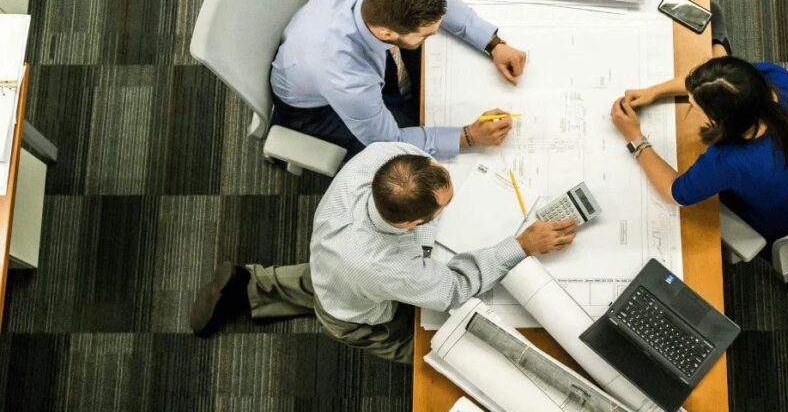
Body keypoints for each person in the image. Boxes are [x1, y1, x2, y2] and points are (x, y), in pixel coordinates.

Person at [189, 142, 577, 363]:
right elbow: (454, 289)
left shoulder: (382, 158)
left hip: (332, 260)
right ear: (412, 224)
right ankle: (434, 359)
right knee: (430, 349)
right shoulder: (387, 267)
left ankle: (251, 284)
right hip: (356, 312)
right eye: (444, 206)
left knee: (326, 279)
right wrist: (521, 245)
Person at [609, 17, 788, 277]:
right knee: (716, 26)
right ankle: (720, 46)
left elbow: (675, 193)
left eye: (695, 107)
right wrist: (654, 91)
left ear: (720, 121)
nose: (692, 107)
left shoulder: (729, 161)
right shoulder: (775, 80)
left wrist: (636, 138)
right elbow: (718, 80)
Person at [271, 0, 529, 160]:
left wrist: (492, 43)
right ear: (386, 32)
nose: (433, 36)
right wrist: (469, 136)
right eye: (425, 35)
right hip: (314, 109)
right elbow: (389, 141)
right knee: (406, 155)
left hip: (316, 47)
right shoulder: (346, 77)